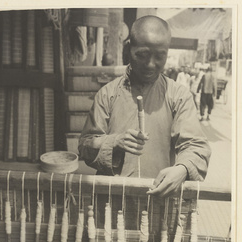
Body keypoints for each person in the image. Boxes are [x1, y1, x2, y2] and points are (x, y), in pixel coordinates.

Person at [78, 15, 211, 198]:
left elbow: (196, 146)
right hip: (112, 202)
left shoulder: (179, 96)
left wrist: (182, 169)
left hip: (160, 202)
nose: (150, 65)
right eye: (142, 55)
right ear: (129, 49)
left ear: (167, 52)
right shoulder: (107, 94)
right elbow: (85, 145)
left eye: (159, 56)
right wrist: (114, 142)